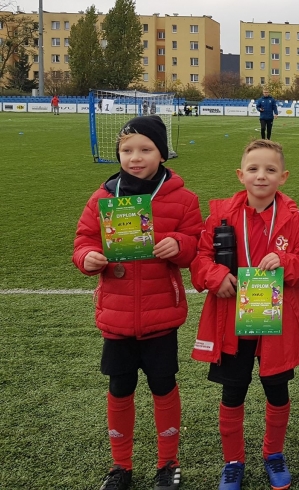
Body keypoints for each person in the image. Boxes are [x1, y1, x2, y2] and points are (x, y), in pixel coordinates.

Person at [73, 115, 203, 490]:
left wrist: (179, 245)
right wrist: (88, 258)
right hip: (116, 317)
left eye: (145, 149)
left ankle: (168, 463)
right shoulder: (102, 197)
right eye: (127, 150)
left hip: (161, 316)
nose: (135, 157)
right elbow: (83, 241)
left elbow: (195, 243)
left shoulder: (183, 198)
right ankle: (120, 467)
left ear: (162, 154)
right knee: (120, 388)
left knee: (163, 386)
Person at [190, 139, 299, 490]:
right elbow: (200, 260)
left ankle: (273, 454)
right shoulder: (220, 215)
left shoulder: (297, 220)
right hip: (231, 321)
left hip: (277, 324)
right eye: (254, 169)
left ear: (284, 176)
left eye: (270, 170)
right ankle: (233, 461)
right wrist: (216, 277)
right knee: (233, 392)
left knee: (277, 391)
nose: (262, 176)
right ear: (240, 174)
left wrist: (287, 261)